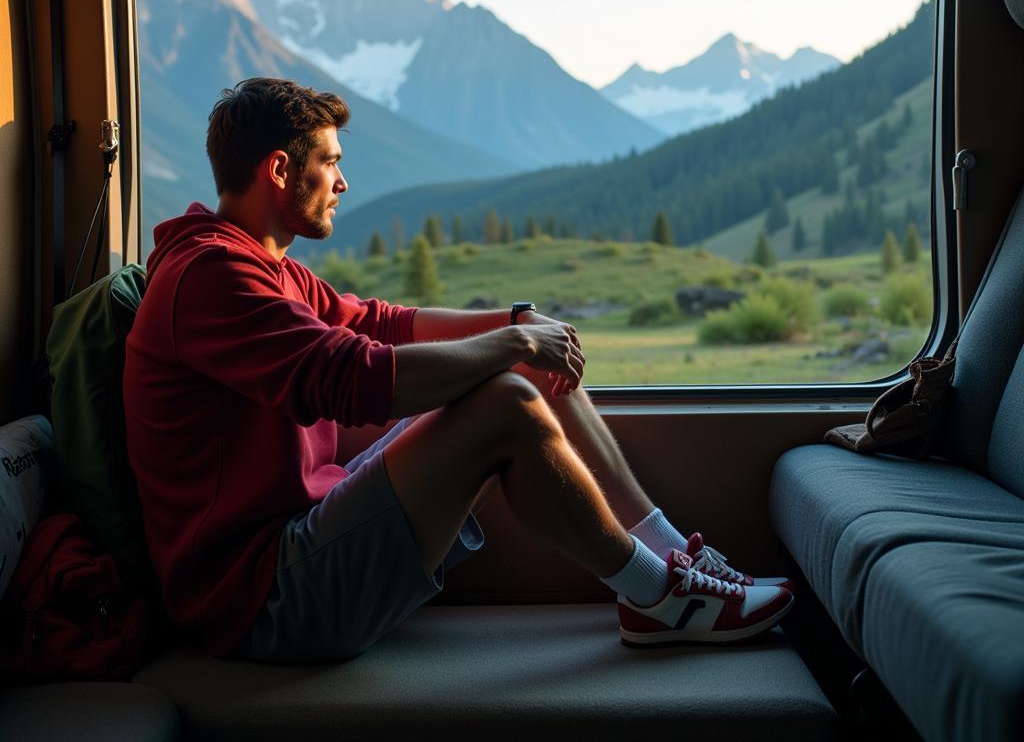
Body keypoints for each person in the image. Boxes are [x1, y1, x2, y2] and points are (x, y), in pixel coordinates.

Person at [124, 77, 794, 663]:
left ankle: (674, 556)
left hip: (304, 538)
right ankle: (662, 600)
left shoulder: (262, 266)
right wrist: (514, 347)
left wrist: (516, 324)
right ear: (278, 170)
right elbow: (353, 376)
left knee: (523, 372)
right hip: (262, 599)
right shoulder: (211, 276)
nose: (343, 182)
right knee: (506, 397)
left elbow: (378, 322)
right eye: (330, 163)